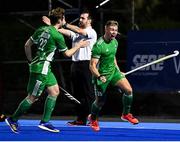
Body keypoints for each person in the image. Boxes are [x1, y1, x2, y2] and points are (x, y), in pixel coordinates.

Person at [5, 7, 89, 133]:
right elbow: (67, 54)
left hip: (44, 68)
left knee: (54, 91)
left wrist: (30, 61)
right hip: (42, 70)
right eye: (64, 18)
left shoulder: (41, 29)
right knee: (32, 97)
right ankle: (13, 119)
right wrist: (79, 45)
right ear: (61, 20)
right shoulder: (57, 36)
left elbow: (27, 45)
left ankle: (45, 122)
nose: (64, 20)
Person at [42, 9, 97, 125]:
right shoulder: (77, 33)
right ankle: (81, 119)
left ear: (90, 21)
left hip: (87, 65)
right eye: (80, 17)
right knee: (76, 94)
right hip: (75, 65)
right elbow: (67, 32)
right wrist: (53, 26)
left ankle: (93, 119)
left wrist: (65, 23)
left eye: (83, 18)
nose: (80, 19)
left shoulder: (91, 32)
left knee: (89, 93)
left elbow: (79, 31)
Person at [88, 20, 139, 131]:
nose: (114, 32)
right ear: (106, 29)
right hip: (102, 76)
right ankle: (93, 118)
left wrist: (118, 70)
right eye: (111, 30)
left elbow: (113, 57)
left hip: (114, 73)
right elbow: (92, 65)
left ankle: (125, 114)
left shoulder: (115, 42)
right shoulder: (98, 45)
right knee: (100, 102)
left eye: (115, 30)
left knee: (129, 90)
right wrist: (99, 76)